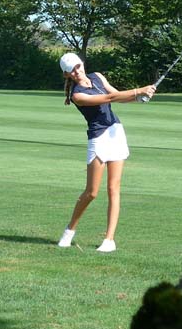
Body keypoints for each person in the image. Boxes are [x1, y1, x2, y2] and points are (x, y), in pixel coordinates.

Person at [57, 52, 156, 252]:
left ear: (81, 63)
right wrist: (139, 90)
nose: (77, 72)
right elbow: (108, 97)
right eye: (71, 71)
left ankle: (109, 240)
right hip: (98, 137)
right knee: (91, 192)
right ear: (67, 75)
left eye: (77, 66)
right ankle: (69, 231)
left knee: (114, 188)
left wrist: (139, 98)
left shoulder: (98, 76)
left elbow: (117, 96)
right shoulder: (77, 95)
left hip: (116, 132)